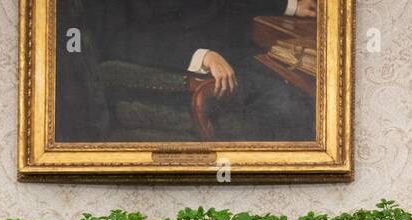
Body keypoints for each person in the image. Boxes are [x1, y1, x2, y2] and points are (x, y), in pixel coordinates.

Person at [103, 0, 316, 141]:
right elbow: (118, 38)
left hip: (235, 54)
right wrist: (201, 55)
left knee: (307, 86)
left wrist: (290, 5)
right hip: (185, 70)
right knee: (293, 104)